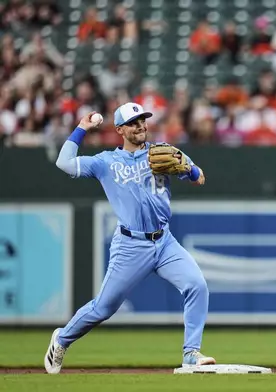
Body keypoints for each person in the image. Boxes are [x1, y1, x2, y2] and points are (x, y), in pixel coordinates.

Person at [44, 103, 214, 374]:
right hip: (131, 245)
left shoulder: (162, 152)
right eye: (133, 122)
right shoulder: (106, 162)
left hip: (165, 241)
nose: (141, 126)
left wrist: (190, 169)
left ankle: (191, 354)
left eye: (143, 120)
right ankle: (62, 339)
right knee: (104, 308)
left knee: (197, 285)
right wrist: (80, 129)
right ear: (120, 129)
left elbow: (199, 177)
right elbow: (63, 162)